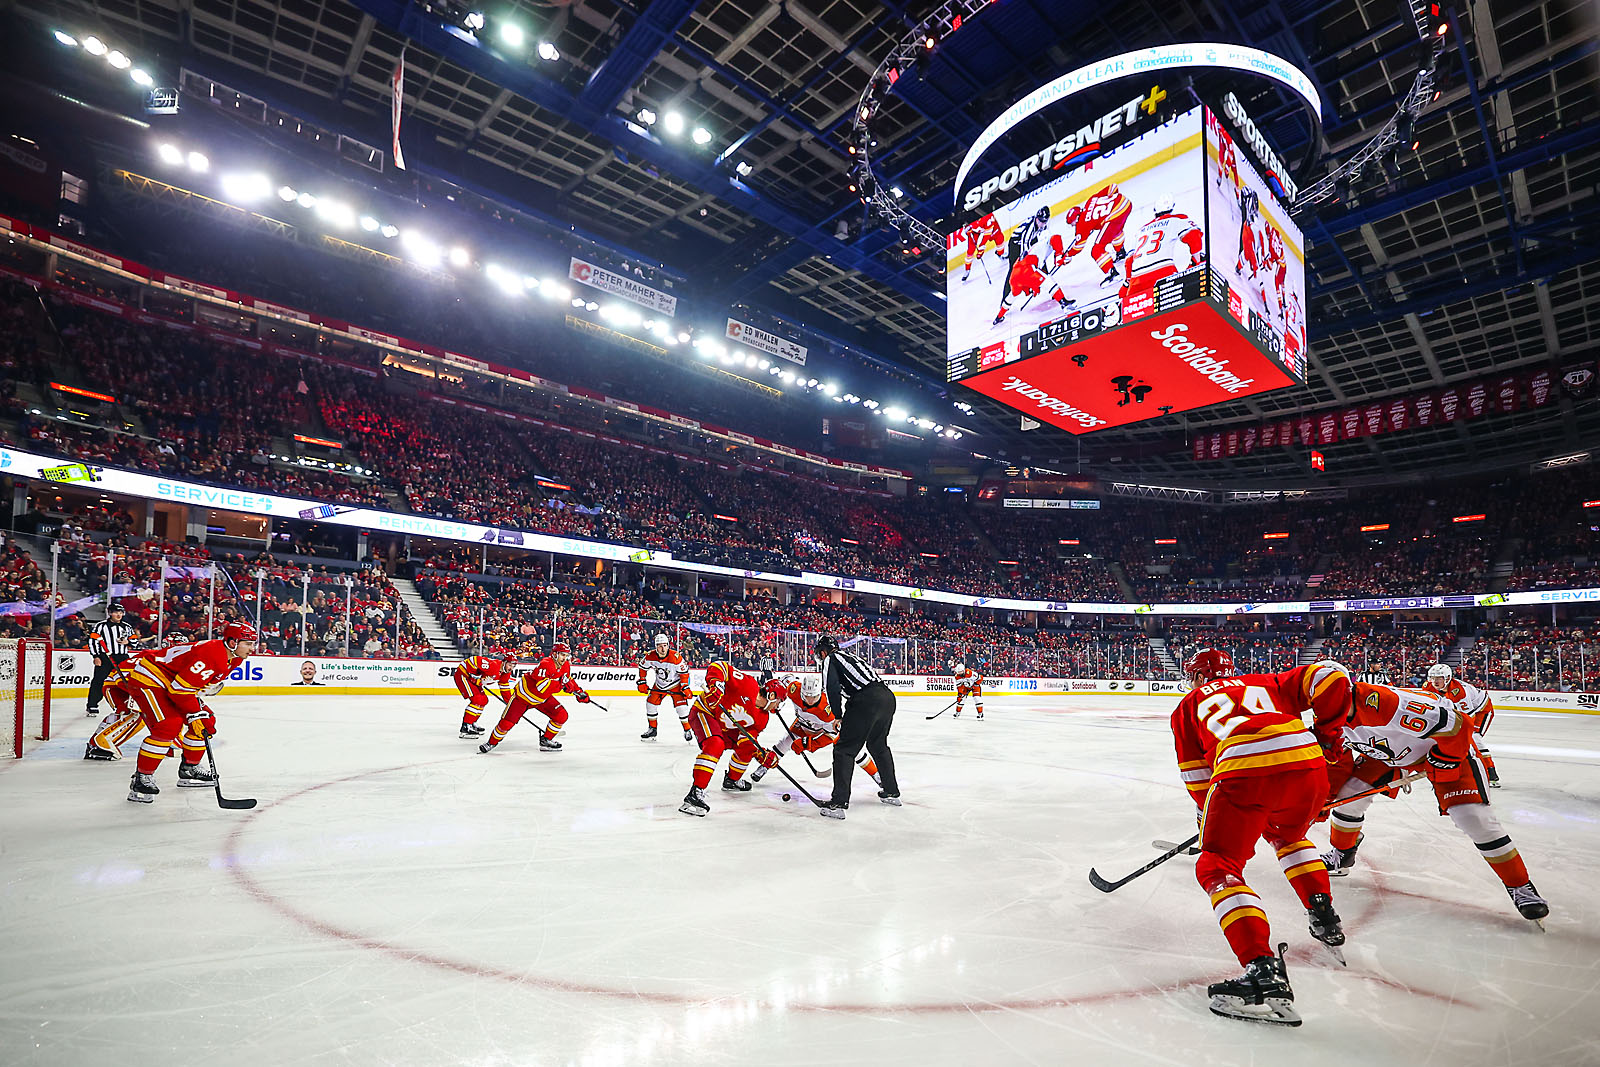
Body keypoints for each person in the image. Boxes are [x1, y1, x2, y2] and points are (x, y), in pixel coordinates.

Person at [1170, 650, 1352, 1026]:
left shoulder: (1188, 706)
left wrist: (1213, 819)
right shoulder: (1268, 681)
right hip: (1307, 764)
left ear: (1198, 676)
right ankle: (1323, 914)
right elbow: (1332, 678)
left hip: (1242, 772)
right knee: (1290, 838)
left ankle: (1262, 973)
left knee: (1217, 864)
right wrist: (1327, 736)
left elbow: (1197, 776)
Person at [1320, 679, 1547, 924]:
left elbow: (1458, 727)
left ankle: (1520, 886)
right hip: (1388, 755)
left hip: (1446, 750)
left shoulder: (1399, 703)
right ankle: (1342, 853)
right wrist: (1321, 800)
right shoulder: (1326, 718)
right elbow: (1335, 763)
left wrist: (1444, 758)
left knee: (1473, 817)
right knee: (1348, 796)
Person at [120, 623, 258, 804]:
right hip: (150, 678)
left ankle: (189, 768)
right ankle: (141, 778)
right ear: (232, 642)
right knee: (168, 726)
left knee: (206, 723)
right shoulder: (212, 654)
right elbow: (179, 690)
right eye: (248, 643)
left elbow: (190, 686)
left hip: (175, 684)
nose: (252, 649)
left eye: (253, 643)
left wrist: (197, 713)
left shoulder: (234, 658)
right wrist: (194, 713)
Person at [814, 635, 900, 819]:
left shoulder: (831, 658)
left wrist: (837, 715)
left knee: (844, 750)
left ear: (823, 651)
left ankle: (838, 802)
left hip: (866, 701)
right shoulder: (852, 657)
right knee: (878, 746)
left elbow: (832, 688)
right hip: (887, 697)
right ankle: (891, 791)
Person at [679, 660, 779, 817]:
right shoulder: (748, 685)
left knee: (746, 749)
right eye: (779, 701)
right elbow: (719, 666)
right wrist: (716, 686)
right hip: (705, 713)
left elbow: (746, 741)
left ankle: (732, 780)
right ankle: (695, 794)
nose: (778, 706)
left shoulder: (763, 718)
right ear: (772, 696)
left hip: (725, 727)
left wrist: (761, 755)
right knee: (715, 744)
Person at [754, 673, 883, 786]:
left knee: (854, 749)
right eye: (807, 696)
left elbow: (831, 735)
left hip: (822, 730)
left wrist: (808, 743)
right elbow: (785, 681)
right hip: (802, 724)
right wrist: (775, 700)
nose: (810, 701)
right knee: (785, 742)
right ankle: (764, 767)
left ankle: (876, 775)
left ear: (820, 692)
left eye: (813, 697)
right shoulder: (795, 690)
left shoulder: (827, 712)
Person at [478, 643, 590, 753]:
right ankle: (491, 743)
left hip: (541, 699)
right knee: (506, 724)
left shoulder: (565, 666)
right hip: (522, 697)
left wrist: (579, 692)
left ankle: (546, 740)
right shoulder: (546, 663)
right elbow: (542, 687)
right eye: (562, 655)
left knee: (561, 715)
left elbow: (567, 679)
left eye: (566, 655)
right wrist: (562, 686)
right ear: (555, 654)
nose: (564, 658)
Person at [1424, 663, 1500, 787]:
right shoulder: (1427, 686)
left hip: (1481, 711)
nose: (1435, 681)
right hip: (1460, 712)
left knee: (1473, 738)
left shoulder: (1459, 692)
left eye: (1439, 678)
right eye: (1433, 678)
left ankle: (1490, 772)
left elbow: (1468, 718)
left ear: (1447, 678)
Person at [636, 632, 692, 742]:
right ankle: (652, 729)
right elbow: (642, 667)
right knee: (650, 704)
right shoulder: (650, 656)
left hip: (675, 685)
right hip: (659, 685)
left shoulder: (676, 657)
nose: (663, 648)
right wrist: (642, 681)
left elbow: (684, 673)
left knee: (682, 709)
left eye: (665, 645)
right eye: (660, 646)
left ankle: (687, 730)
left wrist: (685, 686)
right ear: (656, 646)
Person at [85, 604, 137, 717]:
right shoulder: (101, 626)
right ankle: (92, 705)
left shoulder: (127, 626)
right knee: (99, 680)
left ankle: (127, 704)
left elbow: (135, 641)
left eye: (121, 612)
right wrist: (96, 656)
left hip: (123, 657)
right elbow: (93, 641)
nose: (119, 615)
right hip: (105, 657)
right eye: (116, 612)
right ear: (110, 613)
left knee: (126, 681)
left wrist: (128, 642)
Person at [453, 654, 514, 738]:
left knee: (484, 700)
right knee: (477, 700)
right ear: (504, 663)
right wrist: (474, 674)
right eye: (510, 665)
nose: (511, 668)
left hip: (473, 681)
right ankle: (466, 727)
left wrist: (512, 704)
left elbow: (505, 690)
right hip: (463, 675)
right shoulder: (493, 665)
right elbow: (473, 660)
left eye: (513, 666)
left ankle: (472, 723)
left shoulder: (505, 673)